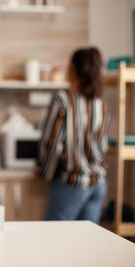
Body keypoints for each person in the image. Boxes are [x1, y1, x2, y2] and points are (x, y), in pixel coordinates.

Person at [37, 47, 110, 224]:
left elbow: (50, 142)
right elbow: (103, 146)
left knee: (53, 239)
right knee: (86, 243)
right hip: (98, 184)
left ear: (71, 68)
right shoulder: (100, 104)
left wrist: (43, 171)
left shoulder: (62, 100)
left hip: (73, 183)